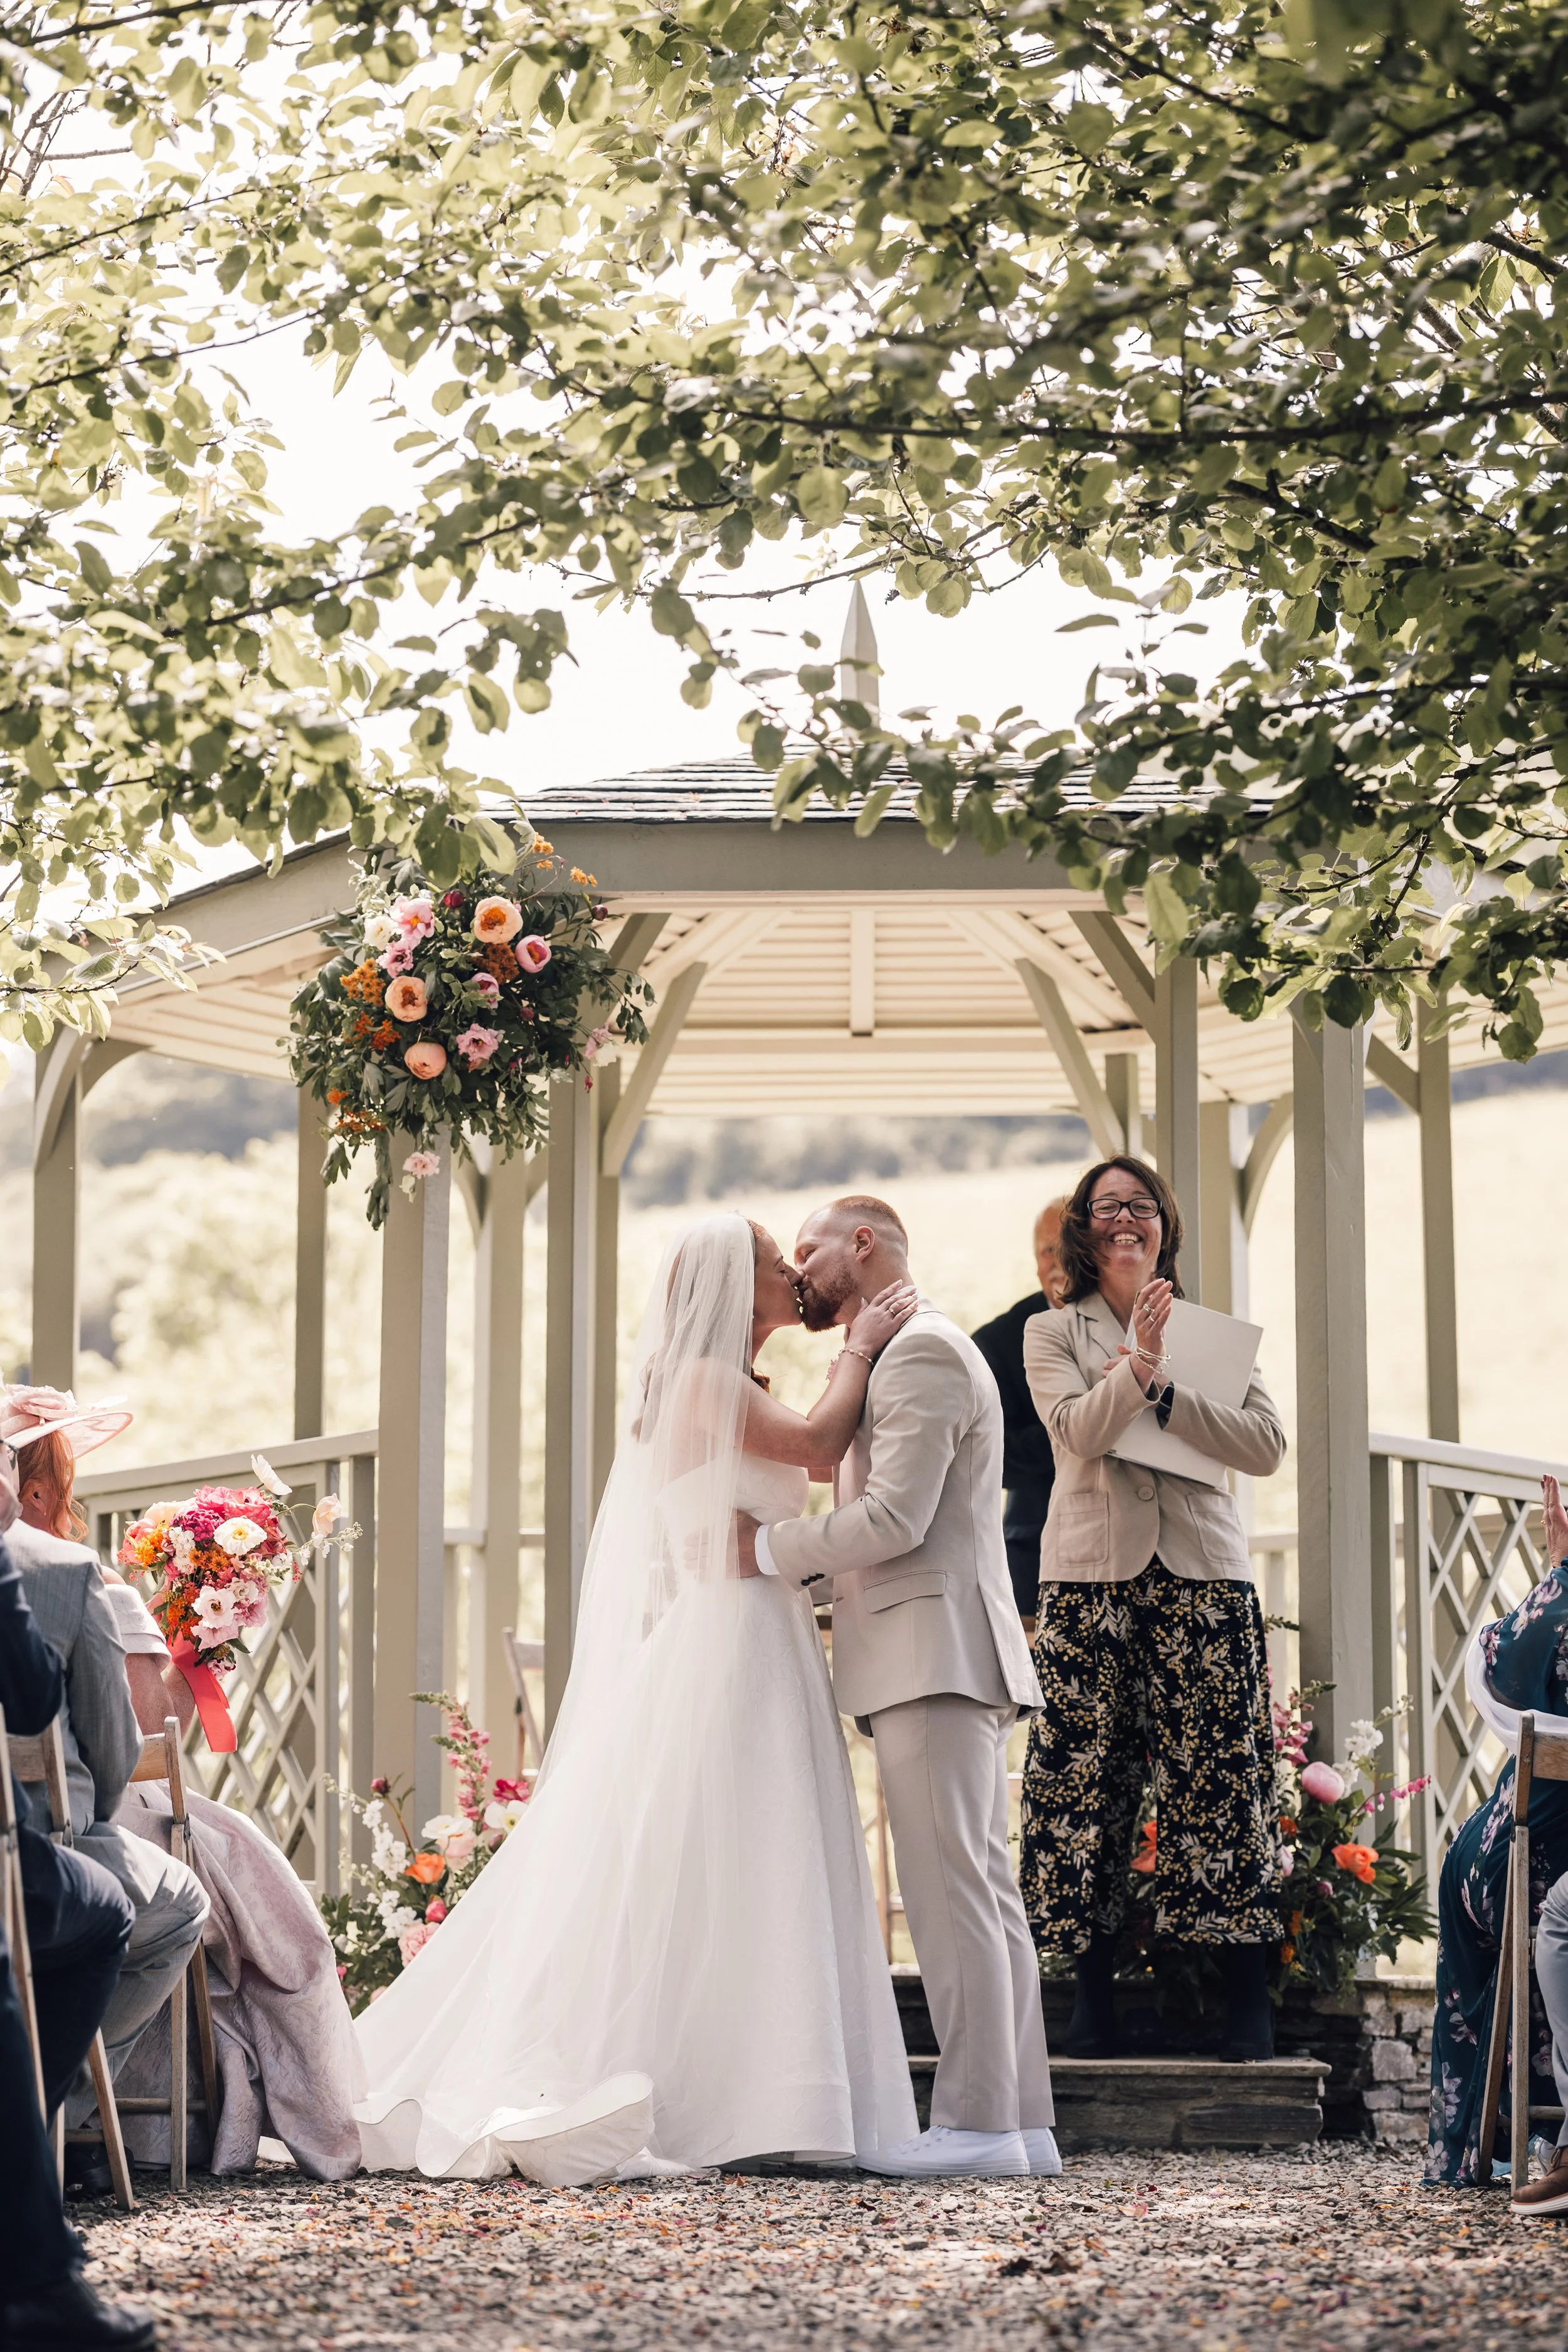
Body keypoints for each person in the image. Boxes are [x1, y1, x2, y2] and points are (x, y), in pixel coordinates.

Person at [354, 1212, 920, 2183]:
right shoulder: (704, 1381)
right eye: (768, 1261)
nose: (789, 1270)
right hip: (732, 1638)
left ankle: (770, 2086)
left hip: (761, 1629)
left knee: (755, 1854)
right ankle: (724, 2091)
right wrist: (862, 1349)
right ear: (727, 1286)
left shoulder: (731, 1381)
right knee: (726, 1847)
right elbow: (823, 1453)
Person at [740, 1194, 1057, 2181]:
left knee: (953, 1892)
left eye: (812, 1250)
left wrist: (763, 1550)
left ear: (864, 1243)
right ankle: (1020, 2121)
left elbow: (895, 1519)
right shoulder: (914, 1347)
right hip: (938, 1649)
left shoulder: (919, 1350)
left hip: (936, 1653)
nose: (801, 1271)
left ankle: (974, 2124)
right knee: (979, 1890)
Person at [1019, 1156, 1286, 2062]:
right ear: (1084, 1232)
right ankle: (1093, 1994)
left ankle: (1243, 1997)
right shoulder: (1049, 1332)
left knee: (1220, 1776)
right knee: (1086, 1780)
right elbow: (1079, 1432)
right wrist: (1136, 1365)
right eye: (1106, 1207)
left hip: (1203, 1570)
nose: (1124, 1218)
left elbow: (1264, 1445)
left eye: (1140, 1204)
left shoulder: (1214, 1334)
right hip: (1091, 1573)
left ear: (1163, 1222)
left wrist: (1168, 1387)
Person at [1, 1391, 210, 2178]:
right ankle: (50, 2124)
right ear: (26, 1490)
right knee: (181, 1903)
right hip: (33, 1858)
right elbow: (117, 1755)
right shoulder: (61, 1573)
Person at [0, 1444, 156, 2352]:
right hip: (23, 1855)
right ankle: (30, 2258)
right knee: (110, 1909)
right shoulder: (62, 1569)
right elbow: (33, 1700)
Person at [1425, 1471, 1568, 2189]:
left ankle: (1497, 2136)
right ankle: (1536, 2129)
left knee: (1477, 1880)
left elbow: (1499, 1670)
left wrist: (1560, 1573)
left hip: (1535, 1853)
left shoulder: (1563, 1604)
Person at [971, 1197, 1069, 1621]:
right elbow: (997, 1459)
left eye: (1071, 1246)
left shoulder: (1135, 1326)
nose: (1059, 1260)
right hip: (1035, 1546)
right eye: (1048, 1249)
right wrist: (1083, 1422)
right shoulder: (997, 1341)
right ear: (1035, 1261)